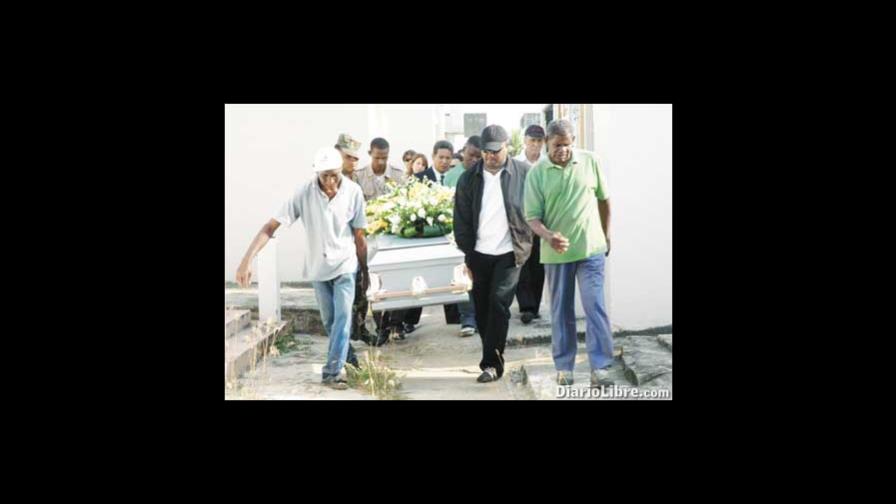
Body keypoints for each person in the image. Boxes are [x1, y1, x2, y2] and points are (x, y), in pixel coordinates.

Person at [235, 146, 368, 390]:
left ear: (341, 171)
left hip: (345, 264)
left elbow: (359, 235)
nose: (329, 181)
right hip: (318, 267)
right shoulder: (303, 193)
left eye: (334, 175)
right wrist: (247, 260)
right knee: (330, 321)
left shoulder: (353, 192)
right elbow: (270, 227)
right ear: (316, 173)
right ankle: (348, 358)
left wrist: (365, 270)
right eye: (324, 175)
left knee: (342, 316)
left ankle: (332, 372)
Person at [524, 119, 614, 388]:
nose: (562, 150)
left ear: (573, 141)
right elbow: (532, 218)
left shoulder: (590, 161)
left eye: (566, 144)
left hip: (591, 250)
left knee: (594, 305)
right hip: (556, 255)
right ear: (547, 144)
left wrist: (606, 236)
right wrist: (549, 236)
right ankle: (564, 367)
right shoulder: (537, 173)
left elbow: (604, 199)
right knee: (561, 312)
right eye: (556, 145)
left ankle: (601, 367)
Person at [453, 125, 533, 383]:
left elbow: (537, 207)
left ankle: (491, 364)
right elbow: (461, 220)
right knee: (482, 309)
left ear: (507, 147)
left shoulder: (524, 173)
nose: (490, 156)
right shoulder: (468, 179)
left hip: (510, 252)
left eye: (495, 151)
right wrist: (467, 254)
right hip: (478, 254)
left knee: (499, 304)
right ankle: (492, 353)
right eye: (486, 152)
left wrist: (530, 240)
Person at [353, 137, 410, 346]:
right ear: (370, 154)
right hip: (368, 240)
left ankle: (395, 323)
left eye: (384, 158)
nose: (381, 162)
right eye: (377, 158)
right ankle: (380, 325)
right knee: (372, 283)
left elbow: (406, 204)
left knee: (398, 281)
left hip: (392, 238)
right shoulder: (359, 177)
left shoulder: (398, 175)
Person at [441, 135, 482, 336]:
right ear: (464, 151)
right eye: (470, 155)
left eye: (478, 156)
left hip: (482, 234)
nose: (473, 160)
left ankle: (480, 317)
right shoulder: (452, 175)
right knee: (461, 276)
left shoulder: (485, 173)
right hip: (457, 233)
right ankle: (467, 319)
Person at [513, 125, 547, 324]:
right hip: (519, 218)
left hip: (542, 219)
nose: (535, 145)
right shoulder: (515, 162)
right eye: (532, 140)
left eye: (539, 141)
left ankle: (534, 306)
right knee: (522, 263)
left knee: (538, 264)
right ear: (525, 141)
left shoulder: (546, 162)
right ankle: (526, 307)